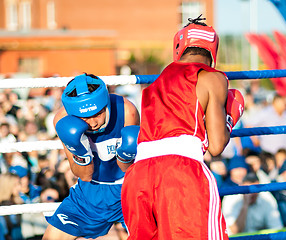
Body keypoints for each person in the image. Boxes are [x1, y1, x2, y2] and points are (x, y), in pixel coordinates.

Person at [121, 15, 244, 239]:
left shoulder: (154, 84)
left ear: (179, 47)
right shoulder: (211, 78)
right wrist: (230, 117)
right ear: (212, 50)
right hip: (180, 174)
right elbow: (216, 146)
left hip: (138, 177)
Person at [42, 73, 140, 240]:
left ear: (106, 103)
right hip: (91, 191)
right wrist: (81, 152)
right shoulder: (63, 120)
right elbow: (84, 175)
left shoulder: (126, 110)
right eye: (84, 118)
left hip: (128, 188)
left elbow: (130, 169)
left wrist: (125, 157)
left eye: (98, 113)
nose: (93, 123)